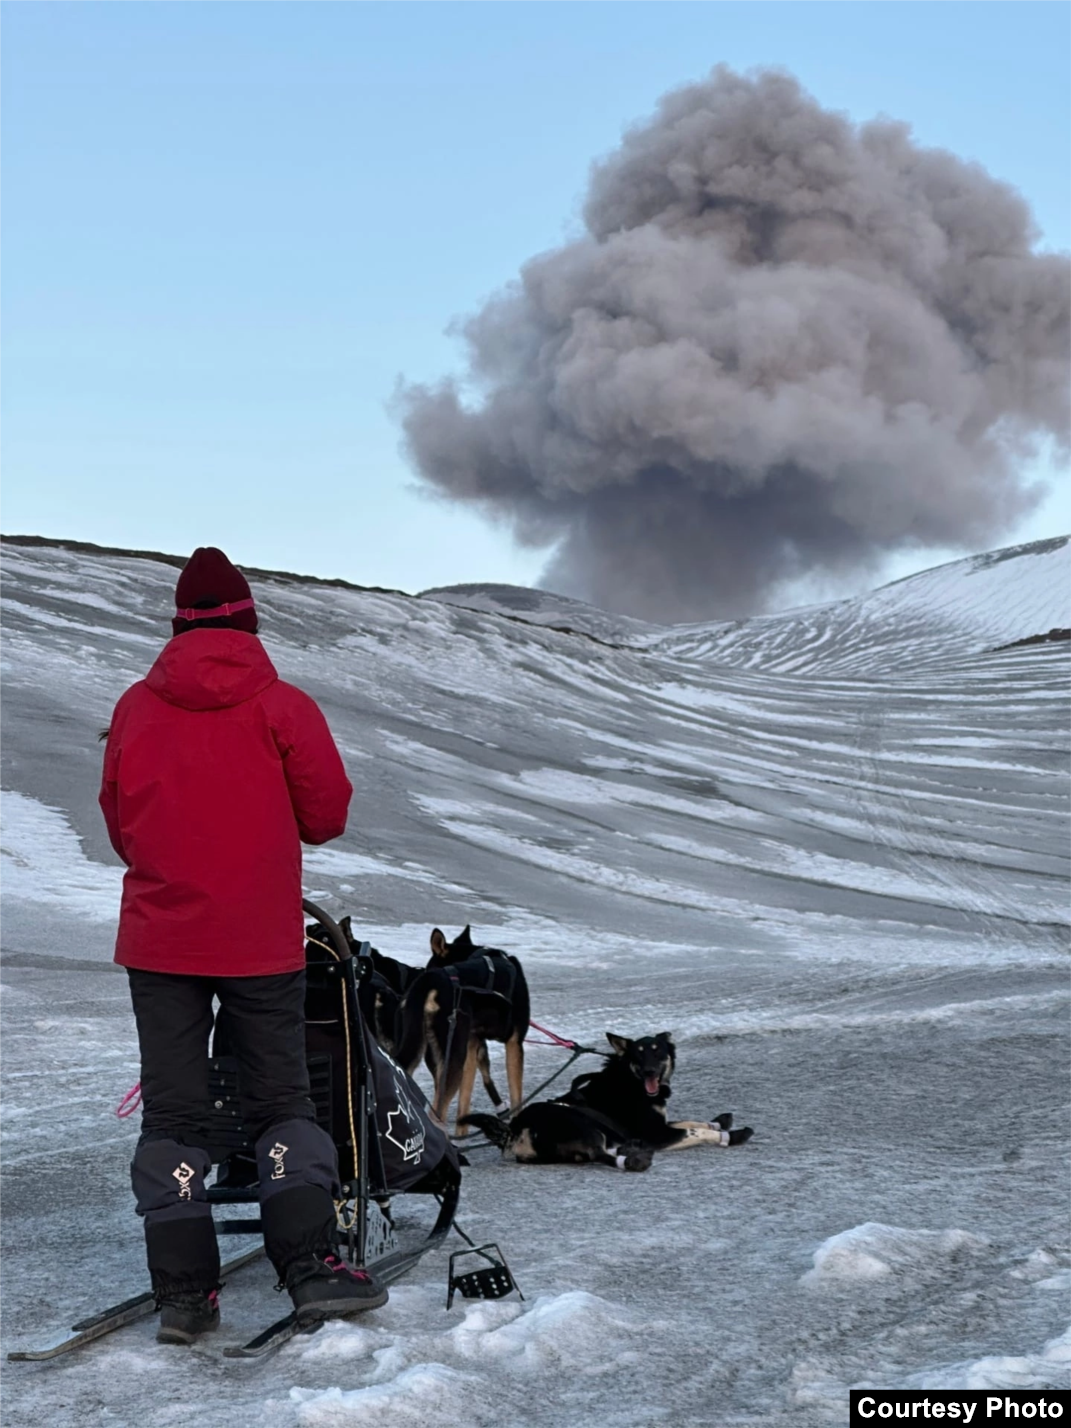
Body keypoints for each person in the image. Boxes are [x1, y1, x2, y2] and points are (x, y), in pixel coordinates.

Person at [99, 546, 385, 1344]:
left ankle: (186, 1297)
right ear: (249, 622)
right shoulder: (282, 706)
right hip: (259, 938)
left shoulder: (134, 707)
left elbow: (122, 824)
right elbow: (326, 816)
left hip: (161, 940)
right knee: (281, 1101)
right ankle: (310, 1268)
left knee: (175, 1112)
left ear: (176, 625)